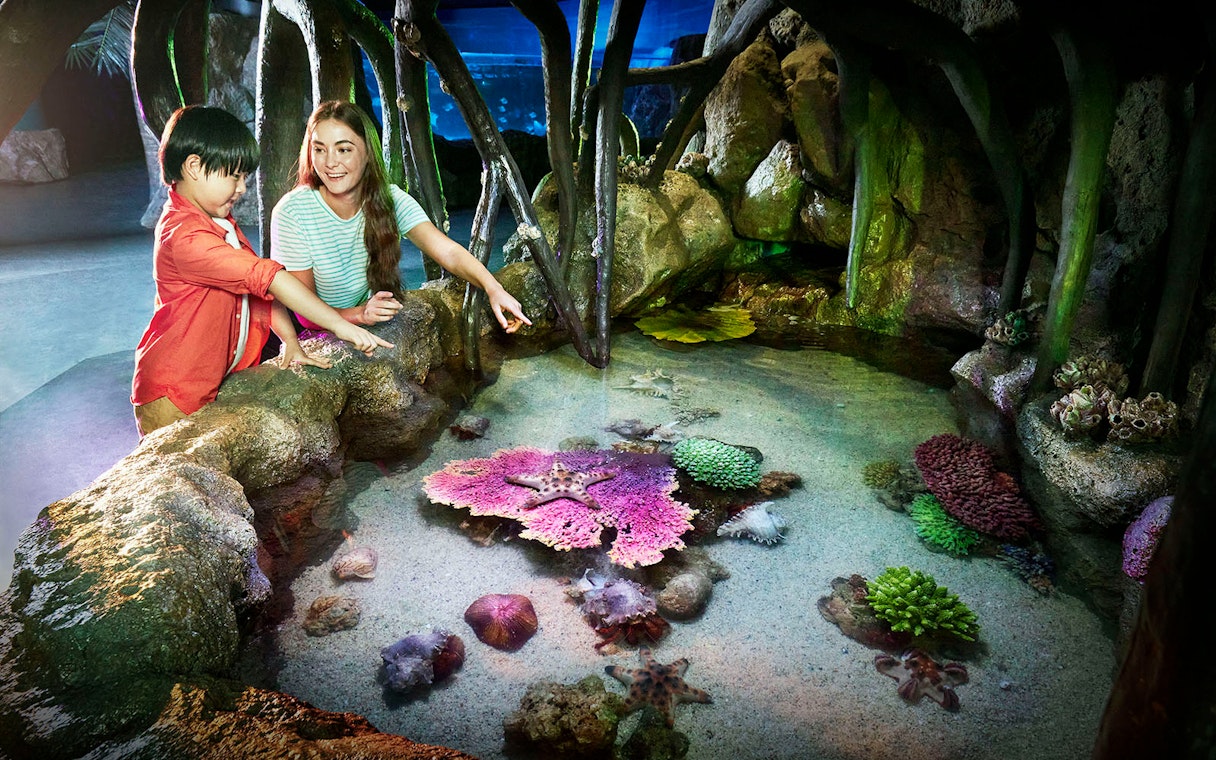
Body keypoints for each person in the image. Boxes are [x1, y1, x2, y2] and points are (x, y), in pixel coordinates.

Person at [131, 105, 394, 437]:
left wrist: (290, 341)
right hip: (173, 393)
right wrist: (340, 325)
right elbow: (268, 278)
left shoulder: (217, 221)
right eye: (234, 176)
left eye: (244, 177)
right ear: (194, 167)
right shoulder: (185, 237)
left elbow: (257, 294)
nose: (242, 188)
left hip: (209, 381)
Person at [270, 100, 531, 333]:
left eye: (344, 150)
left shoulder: (390, 198)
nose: (330, 163)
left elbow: (448, 252)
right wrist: (360, 314)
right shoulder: (292, 212)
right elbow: (305, 313)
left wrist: (493, 288)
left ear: (367, 153)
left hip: (361, 320)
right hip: (303, 333)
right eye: (319, 149)